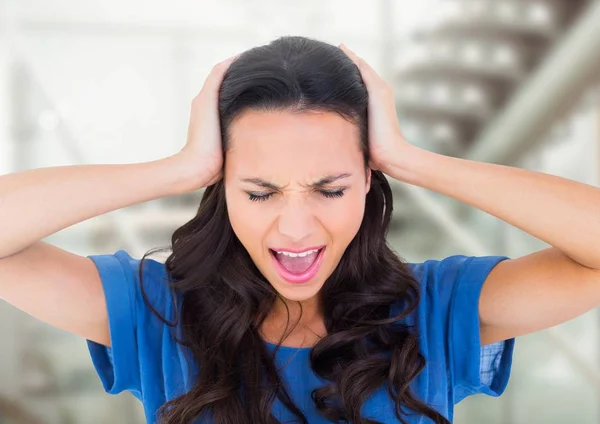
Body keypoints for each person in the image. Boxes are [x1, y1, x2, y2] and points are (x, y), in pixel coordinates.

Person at [1, 35, 599, 424]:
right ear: (222, 184)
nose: (294, 228)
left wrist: (415, 160)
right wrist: (176, 169)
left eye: (329, 189)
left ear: (369, 177)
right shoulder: (159, 311)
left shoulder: (435, 308)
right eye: (259, 192)